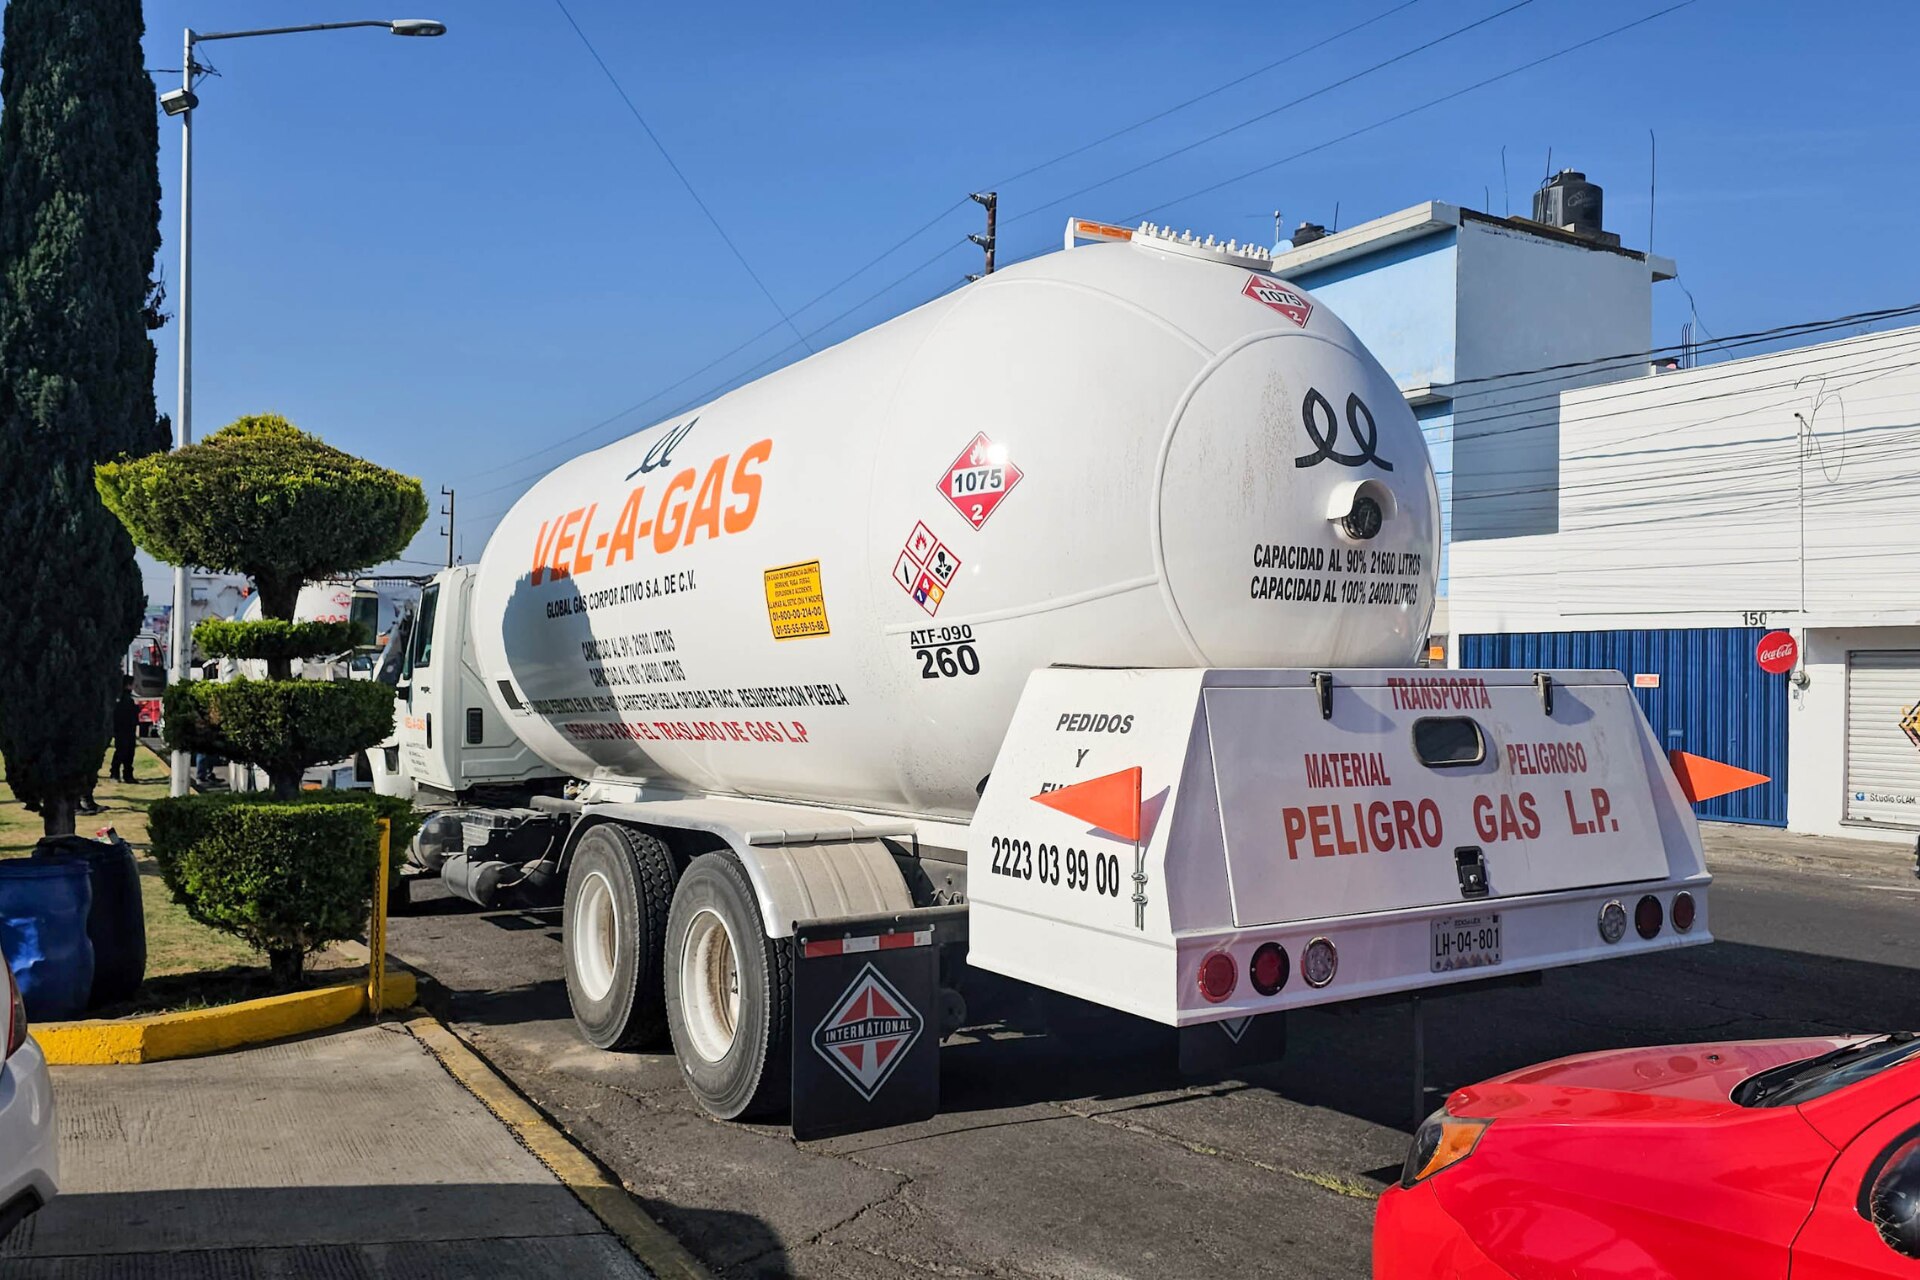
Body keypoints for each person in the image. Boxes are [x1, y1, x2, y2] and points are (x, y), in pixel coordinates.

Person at [110, 675, 139, 784]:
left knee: (125, 752)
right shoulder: (125, 699)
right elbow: (127, 714)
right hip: (125, 730)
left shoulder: (125, 698)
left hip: (124, 730)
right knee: (124, 752)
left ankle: (121, 774)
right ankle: (119, 774)